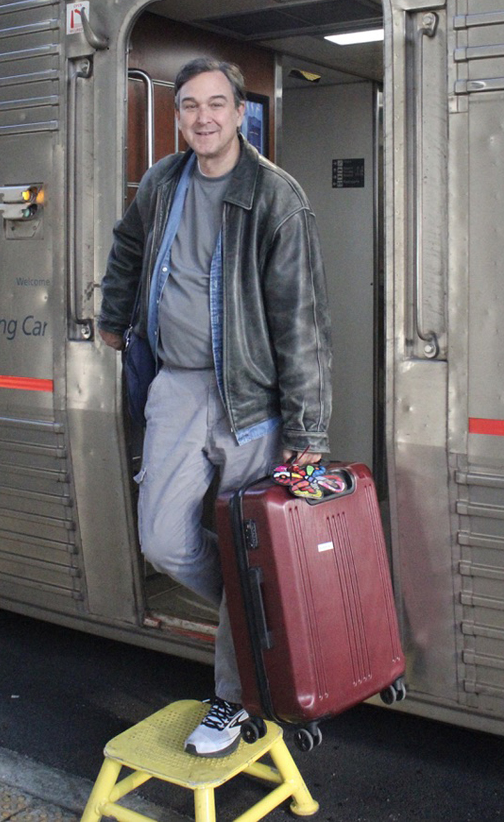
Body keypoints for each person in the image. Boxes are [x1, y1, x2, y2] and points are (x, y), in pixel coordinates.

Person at [98, 57, 331, 756]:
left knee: (249, 548)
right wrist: (114, 313)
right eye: (190, 105)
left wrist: (307, 430)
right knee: (165, 540)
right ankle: (257, 625)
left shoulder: (275, 197)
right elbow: (130, 246)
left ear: (238, 112)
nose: (203, 117)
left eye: (217, 104)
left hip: (249, 401)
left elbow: (302, 321)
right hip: (176, 385)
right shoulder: (164, 182)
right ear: (179, 117)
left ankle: (234, 699)